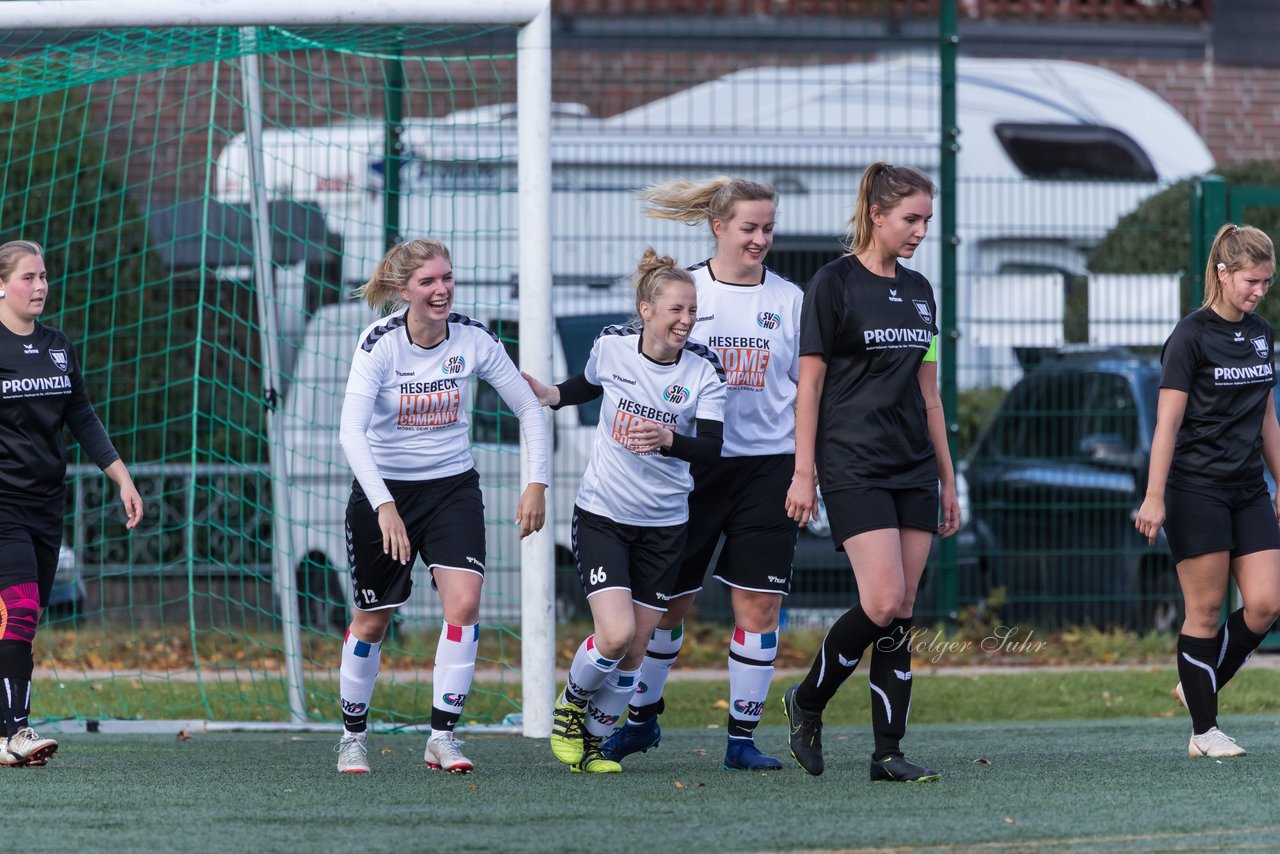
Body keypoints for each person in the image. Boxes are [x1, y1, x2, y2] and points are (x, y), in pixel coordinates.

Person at [601, 177, 801, 771]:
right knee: (666, 608)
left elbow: (808, 390)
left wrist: (806, 471)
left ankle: (741, 740)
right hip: (689, 470)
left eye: (768, 228)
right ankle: (641, 720)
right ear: (719, 227)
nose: (760, 239)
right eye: (749, 228)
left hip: (769, 468)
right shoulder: (684, 293)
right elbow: (634, 374)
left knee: (759, 608)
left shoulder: (791, 300)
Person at [334, 238, 549, 774]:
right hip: (385, 492)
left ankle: (442, 738)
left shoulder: (474, 337)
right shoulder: (378, 343)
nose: (441, 290)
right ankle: (352, 737)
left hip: (453, 487)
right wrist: (384, 506)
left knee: (465, 605)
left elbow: (527, 405)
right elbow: (350, 433)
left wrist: (536, 482)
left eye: (447, 278)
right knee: (371, 623)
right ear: (404, 289)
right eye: (428, 281)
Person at [780, 162, 960, 782]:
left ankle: (888, 752)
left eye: (926, 221)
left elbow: (930, 394)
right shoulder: (830, 285)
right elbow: (809, 387)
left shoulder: (921, 292)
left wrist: (948, 477)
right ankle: (806, 701)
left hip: (915, 466)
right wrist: (804, 473)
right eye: (910, 219)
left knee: (903, 608)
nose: (919, 231)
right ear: (876, 215)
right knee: (880, 600)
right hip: (852, 462)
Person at [524, 247, 727, 774]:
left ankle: (591, 745)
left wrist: (667, 438)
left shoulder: (704, 370)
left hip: (665, 525)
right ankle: (570, 709)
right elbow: (590, 383)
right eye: (675, 310)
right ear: (646, 310)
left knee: (635, 652)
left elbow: (710, 448)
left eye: (691, 311)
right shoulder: (612, 346)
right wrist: (551, 395)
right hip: (604, 515)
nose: (685, 320)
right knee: (613, 636)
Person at [1134, 223, 1280, 759]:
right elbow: (1166, 426)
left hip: (1247, 489)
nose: (1259, 291)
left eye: (1266, 282)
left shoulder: (1261, 332)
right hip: (1195, 490)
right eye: (1251, 280)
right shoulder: (1190, 336)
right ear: (1222, 272)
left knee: (1267, 603)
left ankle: (1200, 679)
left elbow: (1266, 417)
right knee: (1207, 609)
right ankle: (1204, 730)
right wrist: (1154, 497)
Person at [0, 240, 143, 767]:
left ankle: (3, 733)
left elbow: (81, 415)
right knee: (18, 611)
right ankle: (17, 730)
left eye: (43, 276)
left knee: (22, 622)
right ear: (1, 284)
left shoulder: (59, 346)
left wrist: (122, 478)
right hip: (2, 507)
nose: (39, 286)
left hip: (45, 507)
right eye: (27, 278)